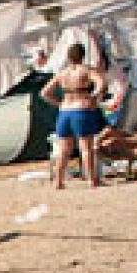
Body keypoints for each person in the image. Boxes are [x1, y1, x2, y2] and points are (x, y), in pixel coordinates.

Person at [41, 44, 110, 189]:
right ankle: (92, 180)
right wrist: (94, 96)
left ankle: (58, 181)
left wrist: (58, 103)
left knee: (64, 149)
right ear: (83, 55)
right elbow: (102, 83)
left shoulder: (62, 73)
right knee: (86, 148)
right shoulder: (87, 70)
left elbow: (44, 93)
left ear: (68, 57)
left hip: (65, 111)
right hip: (81, 109)